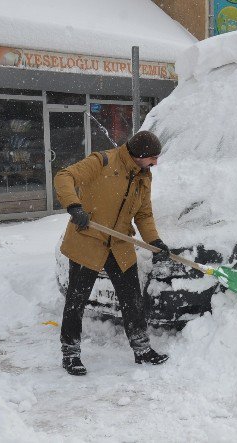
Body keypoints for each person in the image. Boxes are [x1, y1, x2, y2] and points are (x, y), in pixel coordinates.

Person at [54, 131, 171, 376]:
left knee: (132, 300)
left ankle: (142, 349)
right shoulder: (102, 161)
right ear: (138, 155)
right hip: (89, 240)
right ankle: (70, 353)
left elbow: (144, 214)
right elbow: (64, 176)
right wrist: (74, 206)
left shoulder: (143, 176)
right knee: (76, 301)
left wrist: (155, 241)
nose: (155, 163)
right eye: (152, 158)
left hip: (118, 244)